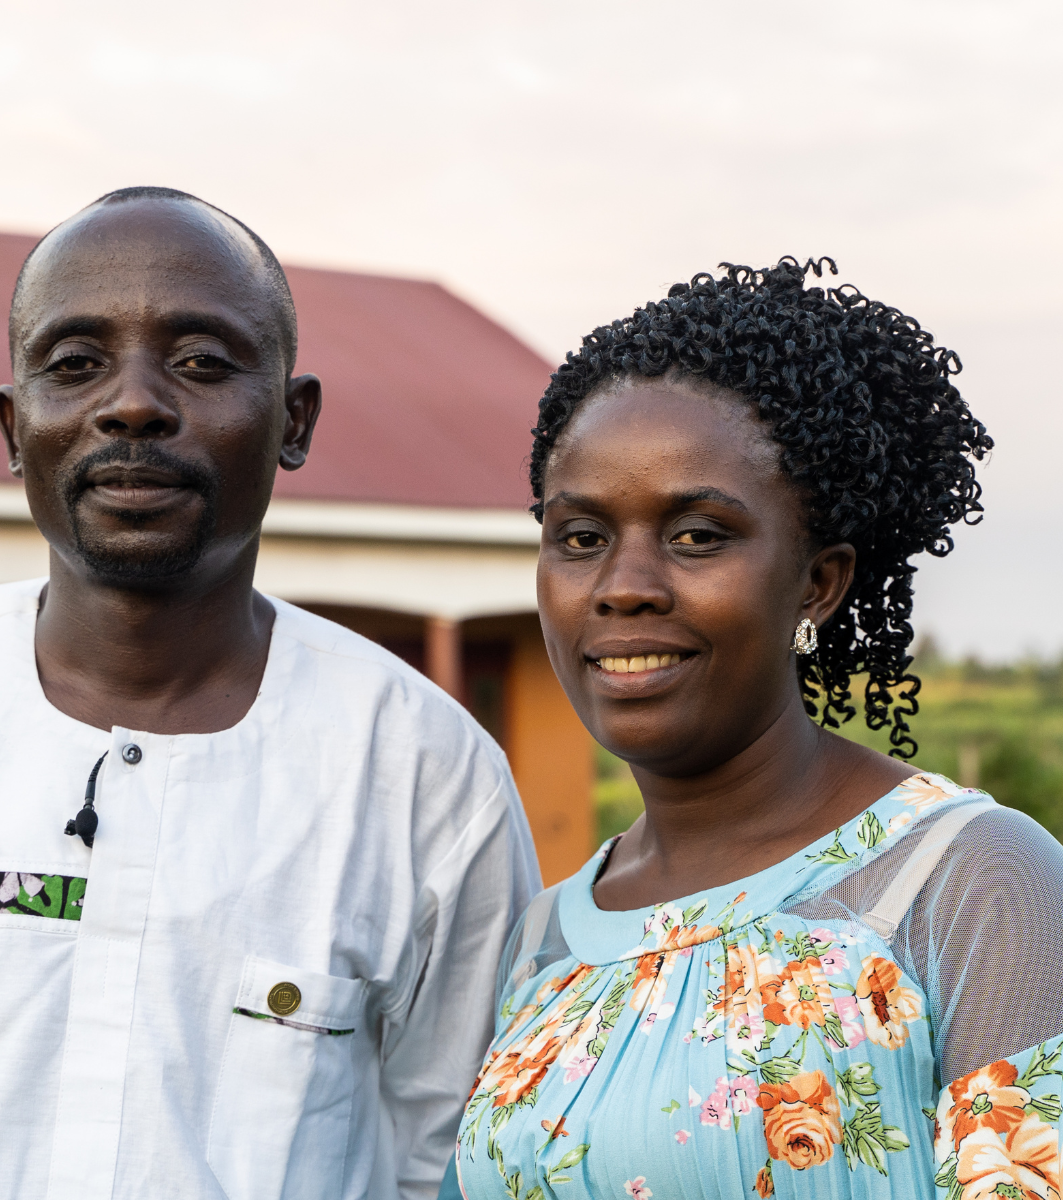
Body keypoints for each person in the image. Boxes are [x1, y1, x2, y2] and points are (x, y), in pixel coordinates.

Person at [0, 186, 539, 1200]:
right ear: (14, 428)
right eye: (75, 364)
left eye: (203, 363)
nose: (133, 404)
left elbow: (453, 1160)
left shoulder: (423, 773)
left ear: (294, 421)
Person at [449, 259, 1063, 1199]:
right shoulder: (546, 943)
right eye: (581, 537)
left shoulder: (966, 883)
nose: (624, 585)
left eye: (698, 535)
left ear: (817, 582)